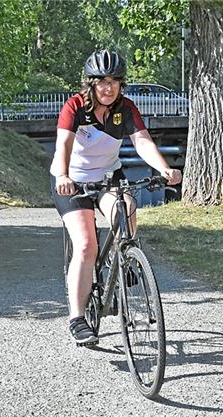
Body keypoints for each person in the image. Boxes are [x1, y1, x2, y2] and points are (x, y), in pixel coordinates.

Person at [50, 49, 182, 346]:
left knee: (128, 207)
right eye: (101, 82)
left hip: (109, 176)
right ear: (91, 83)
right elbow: (63, 146)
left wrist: (163, 168)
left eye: (114, 81)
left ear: (121, 84)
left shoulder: (126, 108)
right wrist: (62, 176)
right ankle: (77, 317)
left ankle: (121, 256)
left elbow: (142, 141)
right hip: (74, 183)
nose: (108, 88)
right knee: (85, 245)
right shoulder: (75, 107)